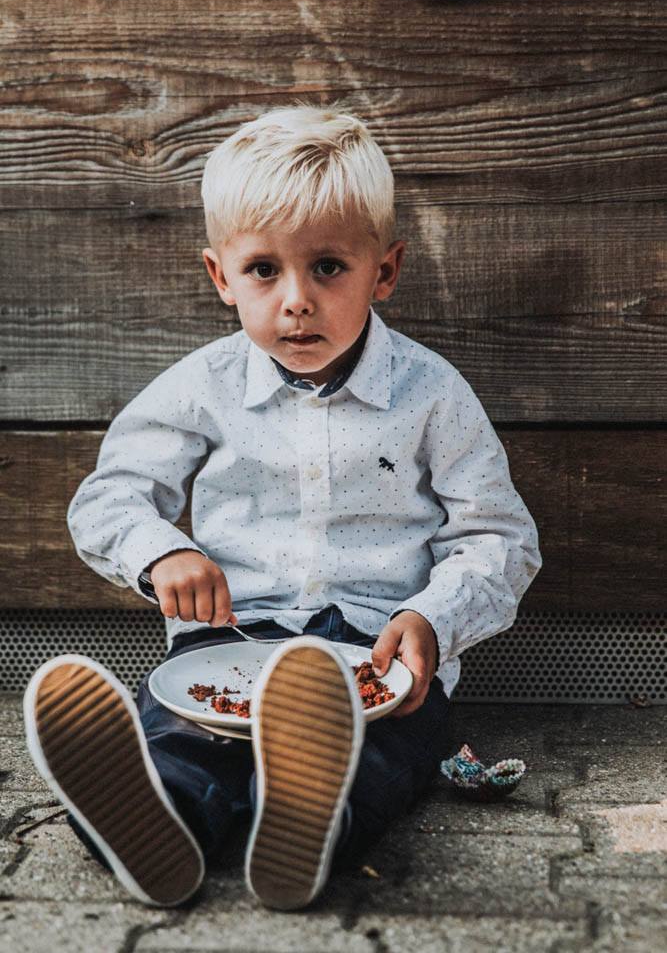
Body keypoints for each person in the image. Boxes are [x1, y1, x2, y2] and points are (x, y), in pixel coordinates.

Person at [24, 102, 542, 912]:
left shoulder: (431, 394)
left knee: (373, 762)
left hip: (379, 662)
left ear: (386, 269)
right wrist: (161, 552)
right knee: (183, 747)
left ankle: (303, 827)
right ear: (220, 277)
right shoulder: (204, 386)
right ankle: (155, 822)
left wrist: (434, 622)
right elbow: (111, 496)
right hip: (231, 647)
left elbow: (497, 538)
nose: (295, 300)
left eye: (328, 267)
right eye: (264, 270)